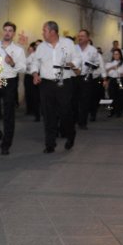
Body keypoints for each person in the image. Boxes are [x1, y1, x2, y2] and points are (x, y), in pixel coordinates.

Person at [30, 21, 81, 153]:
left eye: (44, 30)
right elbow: (35, 61)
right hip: (46, 84)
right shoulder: (41, 47)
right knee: (48, 114)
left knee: (65, 112)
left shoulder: (68, 44)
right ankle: (50, 144)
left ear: (52, 32)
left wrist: (73, 64)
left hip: (63, 82)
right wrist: (35, 74)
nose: (42, 33)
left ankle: (70, 135)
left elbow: (77, 58)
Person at [0, 22, 26, 155]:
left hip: (9, 81)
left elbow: (23, 68)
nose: (7, 32)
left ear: (13, 33)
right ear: (2, 31)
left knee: (8, 114)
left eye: (10, 30)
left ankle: (6, 144)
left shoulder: (19, 50)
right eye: (5, 30)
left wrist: (13, 62)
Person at [74, 29, 105, 130]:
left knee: (85, 100)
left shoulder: (93, 50)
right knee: (74, 100)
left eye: (82, 36)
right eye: (79, 36)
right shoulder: (74, 48)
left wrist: (92, 66)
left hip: (87, 77)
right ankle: (74, 120)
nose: (80, 38)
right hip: (74, 77)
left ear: (88, 38)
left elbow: (97, 63)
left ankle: (82, 122)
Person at [105, 48, 123, 117]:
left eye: (117, 54)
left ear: (120, 55)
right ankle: (111, 111)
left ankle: (119, 111)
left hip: (121, 80)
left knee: (120, 96)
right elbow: (106, 71)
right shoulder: (110, 63)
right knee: (111, 96)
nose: (116, 55)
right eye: (115, 54)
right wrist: (113, 67)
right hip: (112, 80)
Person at [24, 42, 41, 122]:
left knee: (42, 97)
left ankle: (42, 113)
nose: (37, 47)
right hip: (32, 76)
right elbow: (26, 65)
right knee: (35, 96)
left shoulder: (43, 54)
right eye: (36, 46)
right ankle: (37, 114)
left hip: (42, 76)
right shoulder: (32, 55)